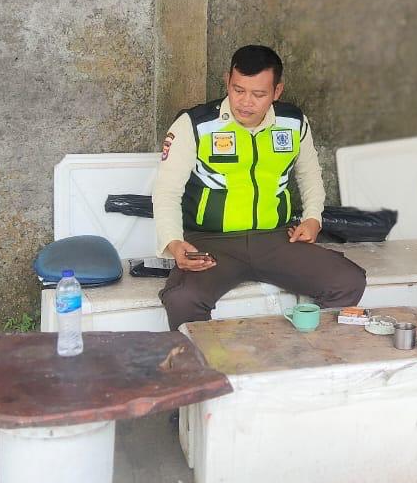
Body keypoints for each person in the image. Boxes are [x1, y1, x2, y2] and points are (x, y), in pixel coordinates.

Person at [153, 44, 366, 330]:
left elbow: (310, 175)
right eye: (238, 90)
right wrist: (174, 243)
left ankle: (307, 350)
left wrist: (313, 219)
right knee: (183, 298)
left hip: (277, 239)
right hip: (210, 242)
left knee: (348, 280)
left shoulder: (293, 122)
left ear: (277, 91)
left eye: (258, 94)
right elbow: (166, 191)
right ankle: (203, 359)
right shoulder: (195, 125)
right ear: (227, 81)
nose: (245, 102)